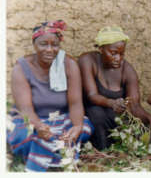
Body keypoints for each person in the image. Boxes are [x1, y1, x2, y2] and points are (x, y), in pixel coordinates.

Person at [7, 20, 93, 172]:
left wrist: (77, 126)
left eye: (54, 45)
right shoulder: (21, 68)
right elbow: (25, 108)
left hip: (61, 118)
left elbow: (75, 103)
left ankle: (43, 153)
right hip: (31, 120)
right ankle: (54, 155)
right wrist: (38, 126)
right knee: (24, 136)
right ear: (34, 44)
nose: (50, 49)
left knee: (85, 128)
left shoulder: (68, 64)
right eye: (43, 44)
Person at [78, 26, 151, 151]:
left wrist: (150, 119)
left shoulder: (127, 71)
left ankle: (120, 151)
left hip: (116, 120)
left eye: (122, 53)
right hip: (93, 117)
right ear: (101, 49)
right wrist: (111, 103)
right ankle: (103, 153)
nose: (118, 58)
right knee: (97, 113)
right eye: (113, 53)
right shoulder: (88, 60)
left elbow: (134, 106)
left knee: (143, 135)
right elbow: (92, 95)